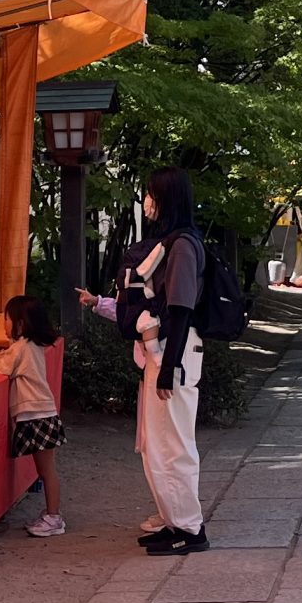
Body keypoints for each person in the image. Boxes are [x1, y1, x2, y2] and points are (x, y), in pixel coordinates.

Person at [77, 167, 207, 555]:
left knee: (172, 443)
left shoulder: (181, 246)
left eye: (152, 194)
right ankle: (174, 520)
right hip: (164, 352)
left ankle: (189, 528)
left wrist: (169, 367)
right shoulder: (172, 243)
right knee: (157, 444)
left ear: (166, 198)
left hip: (172, 353)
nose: (147, 201)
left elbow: (181, 309)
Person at [0, 296, 66, 537]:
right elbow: (1, 359)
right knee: (46, 470)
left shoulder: (22, 348)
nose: (4, 324)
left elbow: (0, 367)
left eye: (6, 319)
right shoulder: (27, 345)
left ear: (20, 324)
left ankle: (54, 517)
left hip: (38, 416)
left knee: (46, 471)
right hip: (42, 414)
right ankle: (52, 515)